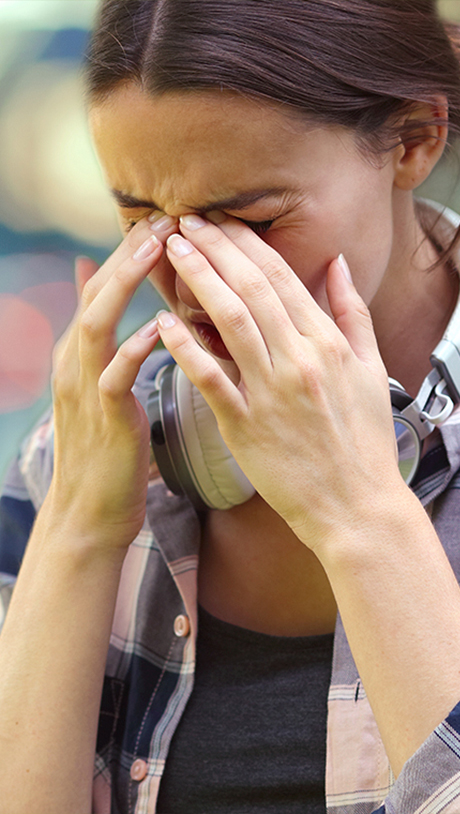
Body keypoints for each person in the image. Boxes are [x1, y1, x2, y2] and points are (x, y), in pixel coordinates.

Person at [2, 0, 460, 811]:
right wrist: (76, 527)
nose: (185, 276)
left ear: (416, 140)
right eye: (141, 218)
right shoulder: (93, 447)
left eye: (248, 219)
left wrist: (360, 518)